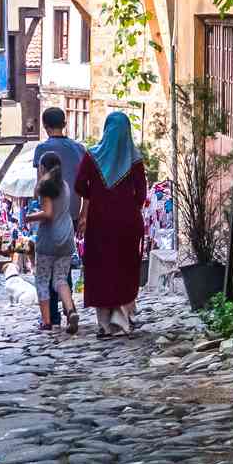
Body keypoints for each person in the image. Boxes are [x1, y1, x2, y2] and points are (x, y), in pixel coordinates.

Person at [76, 110, 146, 337]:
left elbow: (79, 185)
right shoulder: (134, 159)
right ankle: (120, 315)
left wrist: (95, 195)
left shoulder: (92, 156)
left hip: (99, 222)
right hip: (127, 222)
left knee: (100, 267)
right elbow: (141, 193)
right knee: (124, 266)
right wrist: (128, 205)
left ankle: (104, 323)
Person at [33, 107, 99, 328]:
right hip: (71, 211)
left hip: (49, 214)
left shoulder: (43, 149)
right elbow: (86, 184)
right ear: (65, 123)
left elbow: (40, 181)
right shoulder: (79, 149)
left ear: (45, 126)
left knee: (45, 266)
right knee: (64, 265)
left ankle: (50, 316)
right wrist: (83, 213)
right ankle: (68, 308)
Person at [24, 158, 80, 334]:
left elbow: (48, 213)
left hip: (49, 238)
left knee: (42, 279)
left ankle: (47, 321)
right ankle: (70, 310)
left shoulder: (47, 186)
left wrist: (30, 217)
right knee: (61, 278)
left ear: (42, 167)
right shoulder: (64, 185)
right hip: (66, 237)